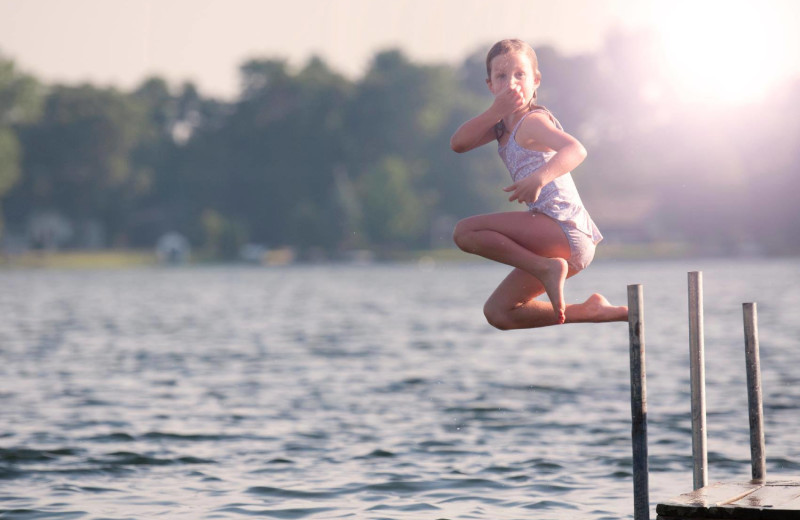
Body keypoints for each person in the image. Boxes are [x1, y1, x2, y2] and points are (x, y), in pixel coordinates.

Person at [450, 39, 627, 329]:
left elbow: (576, 149)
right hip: (555, 240)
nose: (512, 83)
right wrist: (497, 110)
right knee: (499, 312)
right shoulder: (500, 128)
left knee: (465, 231)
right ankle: (590, 310)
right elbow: (458, 143)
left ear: (536, 81)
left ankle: (545, 268)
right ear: (490, 85)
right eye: (502, 77)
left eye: (520, 75)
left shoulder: (533, 122)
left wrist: (539, 177)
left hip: (564, 228)